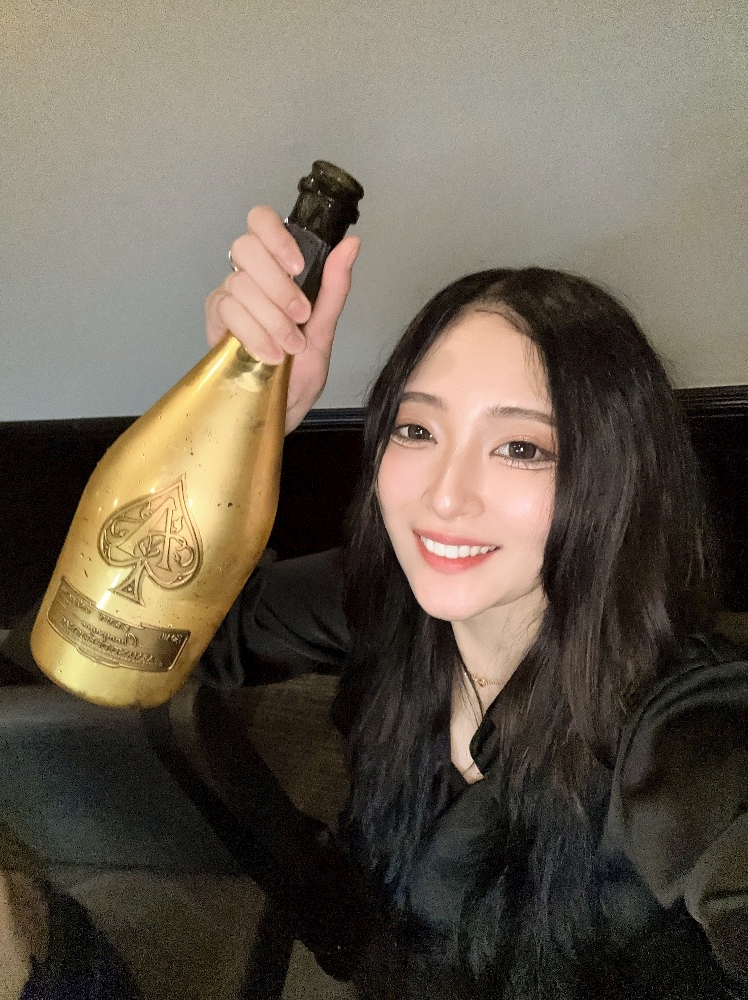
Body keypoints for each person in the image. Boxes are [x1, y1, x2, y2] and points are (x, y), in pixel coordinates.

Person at [198, 206, 748, 999]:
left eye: (520, 447)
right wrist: (233, 428)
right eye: (417, 431)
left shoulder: (682, 726)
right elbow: (139, 640)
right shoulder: (379, 598)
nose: (445, 496)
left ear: (614, 480)